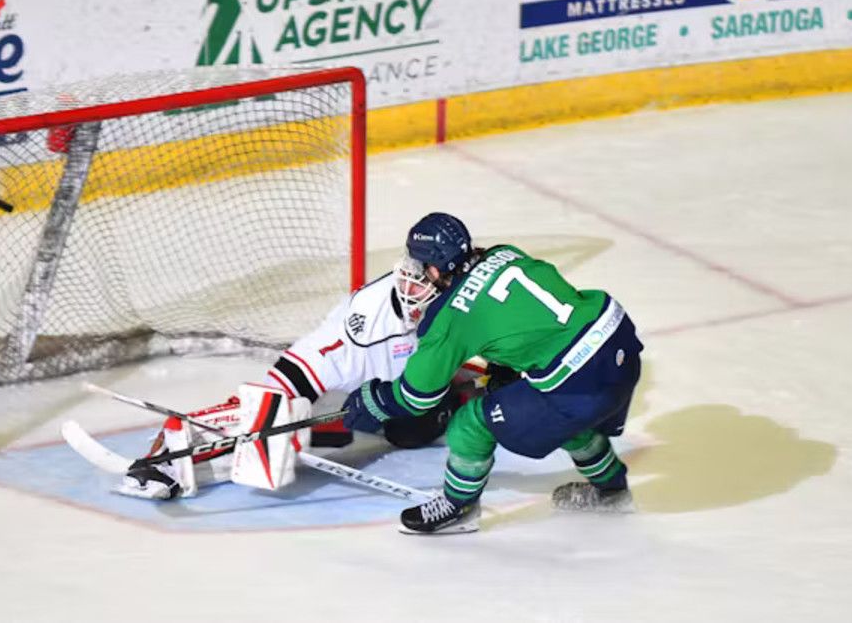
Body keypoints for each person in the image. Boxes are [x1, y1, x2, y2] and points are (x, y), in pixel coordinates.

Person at [342, 212, 644, 534]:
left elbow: (416, 397)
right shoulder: (503, 253)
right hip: (617, 342)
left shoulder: (448, 320)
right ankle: (612, 491)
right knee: (566, 421)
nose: (412, 273)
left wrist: (373, 401)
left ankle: (459, 508)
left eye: (418, 266)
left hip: (578, 382)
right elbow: (522, 315)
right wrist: (504, 367)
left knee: (469, 425)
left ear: (435, 268)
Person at [120, 256, 472, 500]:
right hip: (343, 366)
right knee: (275, 410)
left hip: (386, 383)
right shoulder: (359, 328)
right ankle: (166, 453)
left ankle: (303, 431)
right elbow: (280, 390)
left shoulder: (451, 301)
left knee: (408, 430)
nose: (412, 291)